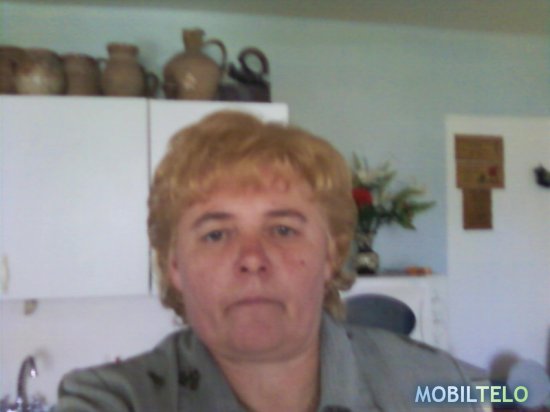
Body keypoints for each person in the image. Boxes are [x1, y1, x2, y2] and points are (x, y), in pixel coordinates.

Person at [56, 111, 485, 412]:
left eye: (282, 229)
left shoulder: (442, 386)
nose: (252, 259)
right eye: (216, 234)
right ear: (175, 267)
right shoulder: (118, 399)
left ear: (330, 255)